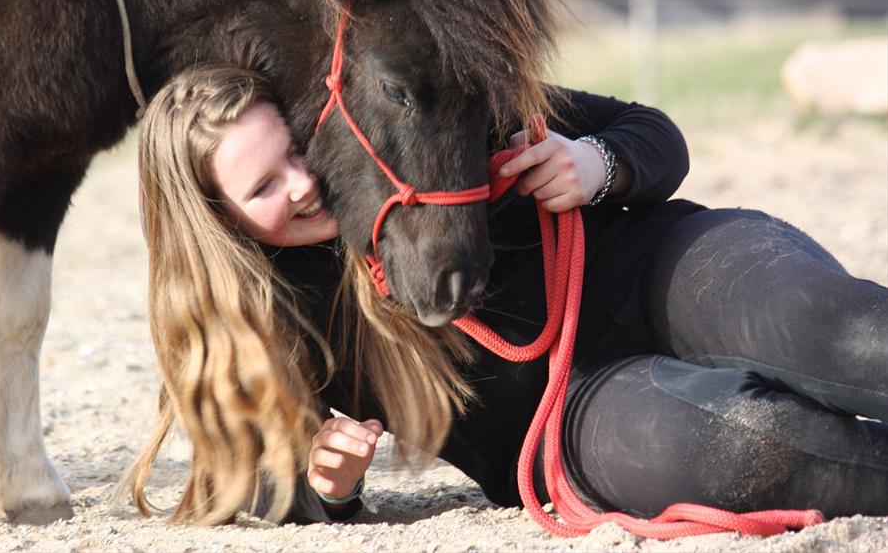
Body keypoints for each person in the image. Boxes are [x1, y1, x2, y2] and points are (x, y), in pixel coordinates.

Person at [125, 62, 888, 527]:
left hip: (665, 266)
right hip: (572, 421)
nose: (300, 182)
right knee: (742, 447)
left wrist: (597, 162)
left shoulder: (415, 113)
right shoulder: (269, 317)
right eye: (262, 185)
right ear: (218, 224)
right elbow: (245, 473)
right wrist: (324, 485)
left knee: (841, 331)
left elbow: (649, 130)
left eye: (294, 148)